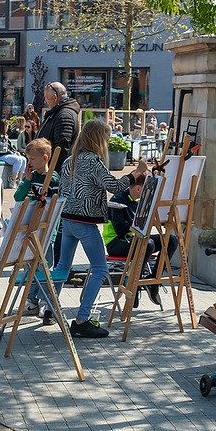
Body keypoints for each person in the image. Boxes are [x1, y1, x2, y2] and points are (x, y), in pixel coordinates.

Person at [53, 119, 148, 339]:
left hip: (67, 220)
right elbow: (113, 186)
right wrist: (136, 173)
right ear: (98, 139)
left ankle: (51, 309)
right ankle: (82, 319)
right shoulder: (93, 160)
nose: (106, 142)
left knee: (61, 267)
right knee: (100, 269)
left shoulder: (71, 160)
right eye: (105, 138)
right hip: (85, 222)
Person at [103, 174, 178, 306]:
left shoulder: (139, 201)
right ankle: (135, 283)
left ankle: (154, 280)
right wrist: (140, 223)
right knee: (147, 244)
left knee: (171, 240)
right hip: (115, 242)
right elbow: (120, 230)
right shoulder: (118, 200)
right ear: (139, 189)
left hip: (135, 239)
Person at [14, 138, 60, 321]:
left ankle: (48, 304)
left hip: (47, 231)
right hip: (30, 229)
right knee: (30, 266)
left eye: (33, 158)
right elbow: (18, 197)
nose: (29, 162)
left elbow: (54, 206)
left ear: (45, 158)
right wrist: (27, 181)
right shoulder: (31, 177)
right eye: (28, 158)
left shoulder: (53, 179)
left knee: (46, 267)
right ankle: (32, 300)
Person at [36, 81, 80, 266]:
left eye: (47, 98)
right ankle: (56, 262)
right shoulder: (59, 112)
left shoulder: (65, 114)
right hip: (53, 175)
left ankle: (60, 264)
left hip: (58, 178)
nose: (46, 102)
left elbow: (62, 146)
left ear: (55, 96)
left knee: (59, 223)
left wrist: (48, 169)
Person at [0, 119, 27, 187]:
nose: (7, 128)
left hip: (7, 154)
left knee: (23, 159)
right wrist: (12, 153)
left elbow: (10, 146)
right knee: (18, 160)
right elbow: (2, 148)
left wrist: (15, 152)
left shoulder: (6, 136)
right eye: (6, 126)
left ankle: (19, 180)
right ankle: (12, 179)